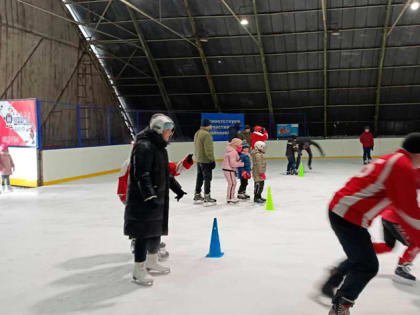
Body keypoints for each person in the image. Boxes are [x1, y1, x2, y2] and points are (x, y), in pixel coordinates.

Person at [320, 133, 420, 314]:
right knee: (367, 266)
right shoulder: (402, 166)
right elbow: (409, 212)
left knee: (361, 257)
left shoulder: (397, 160)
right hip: (347, 216)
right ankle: (340, 306)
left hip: (346, 212)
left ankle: (336, 277)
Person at [124, 114, 186, 287]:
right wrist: (149, 195)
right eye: (168, 130)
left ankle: (152, 261)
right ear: (159, 130)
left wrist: (177, 188)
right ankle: (138, 270)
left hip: (157, 198)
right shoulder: (144, 146)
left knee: (155, 231)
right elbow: (141, 174)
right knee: (143, 234)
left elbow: (164, 173)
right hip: (143, 200)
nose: (171, 134)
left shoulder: (159, 148)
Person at [118, 152, 193, 261]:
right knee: (143, 222)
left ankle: (149, 244)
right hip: (136, 198)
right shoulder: (130, 162)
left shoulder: (159, 157)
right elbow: (123, 181)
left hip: (152, 197)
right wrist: (126, 198)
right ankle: (142, 244)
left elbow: (174, 170)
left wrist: (187, 162)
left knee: (151, 222)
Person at [372, 168, 420, 284]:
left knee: (388, 246)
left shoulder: (407, 172)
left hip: (388, 215)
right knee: (417, 242)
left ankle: (361, 251)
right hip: (395, 218)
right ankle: (401, 268)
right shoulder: (413, 175)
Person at [194, 119, 216, 204]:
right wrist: (211, 159)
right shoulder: (206, 134)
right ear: (207, 125)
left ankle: (197, 194)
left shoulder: (197, 133)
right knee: (207, 178)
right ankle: (207, 196)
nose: (211, 126)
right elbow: (208, 150)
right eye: (210, 124)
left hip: (199, 159)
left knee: (199, 177)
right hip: (206, 160)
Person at [222, 138, 244, 204]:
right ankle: (230, 198)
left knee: (232, 183)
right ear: (236, 144)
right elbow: (233, 164)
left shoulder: (232, 150)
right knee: (232, 183)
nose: (241, 146)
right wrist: (241, 164)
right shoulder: (233, 152)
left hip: (228, 169)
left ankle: (231, 197)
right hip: (229, 169)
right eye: (240, 144)